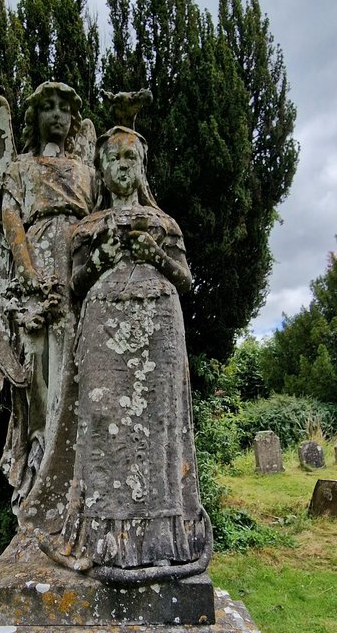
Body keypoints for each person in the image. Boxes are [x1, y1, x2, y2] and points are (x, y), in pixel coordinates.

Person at [46, 125, 212, 582]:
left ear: (141, 167)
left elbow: (184, 279)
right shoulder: (87, 227)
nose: (122, 165)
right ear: (101, 168)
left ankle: (160, 539)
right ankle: (104, 539)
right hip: (103, 327)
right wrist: (106, 255)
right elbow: (75, 285)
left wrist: (154, 252)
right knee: (102, 424)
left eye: (130, 158)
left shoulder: (165, 224)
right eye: (114, 158)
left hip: (159, 327)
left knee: (159, 427)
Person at [0, 81, 96, 507]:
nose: (57, 115)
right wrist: (29, 271)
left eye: (64, 109)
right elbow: (10, 216)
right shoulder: (19, 167)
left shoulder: (87, 171)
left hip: (79, 264)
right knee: (38, 375)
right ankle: (38, 477)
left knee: (80, 367)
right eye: (48, 108)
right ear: (35, 117)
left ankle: (79, 478)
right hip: (37, 268)